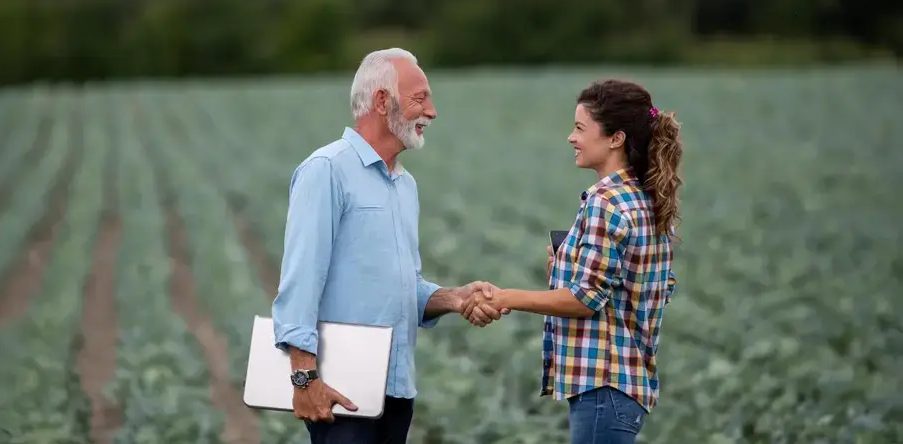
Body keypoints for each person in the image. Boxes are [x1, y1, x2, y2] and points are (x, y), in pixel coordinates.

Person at [271, 48, 506, 444]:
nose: (431, 112)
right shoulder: (327, 170)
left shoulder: (404, 185)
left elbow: (403, 286)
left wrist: (454, 298)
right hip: (340, 392)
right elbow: (301, 280)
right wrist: (304, 378)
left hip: (396, 391)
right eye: (421, 98)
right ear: (382, 101)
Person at [462, 79, 682, 444]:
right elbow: (635, 289)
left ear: (616, 139)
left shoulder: (606, 202)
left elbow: (585, 299)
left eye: (580, 128)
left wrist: (503, 297)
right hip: (627, 385)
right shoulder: (644, 198)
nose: (571, 137)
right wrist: (565, 269)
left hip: (604, 385)